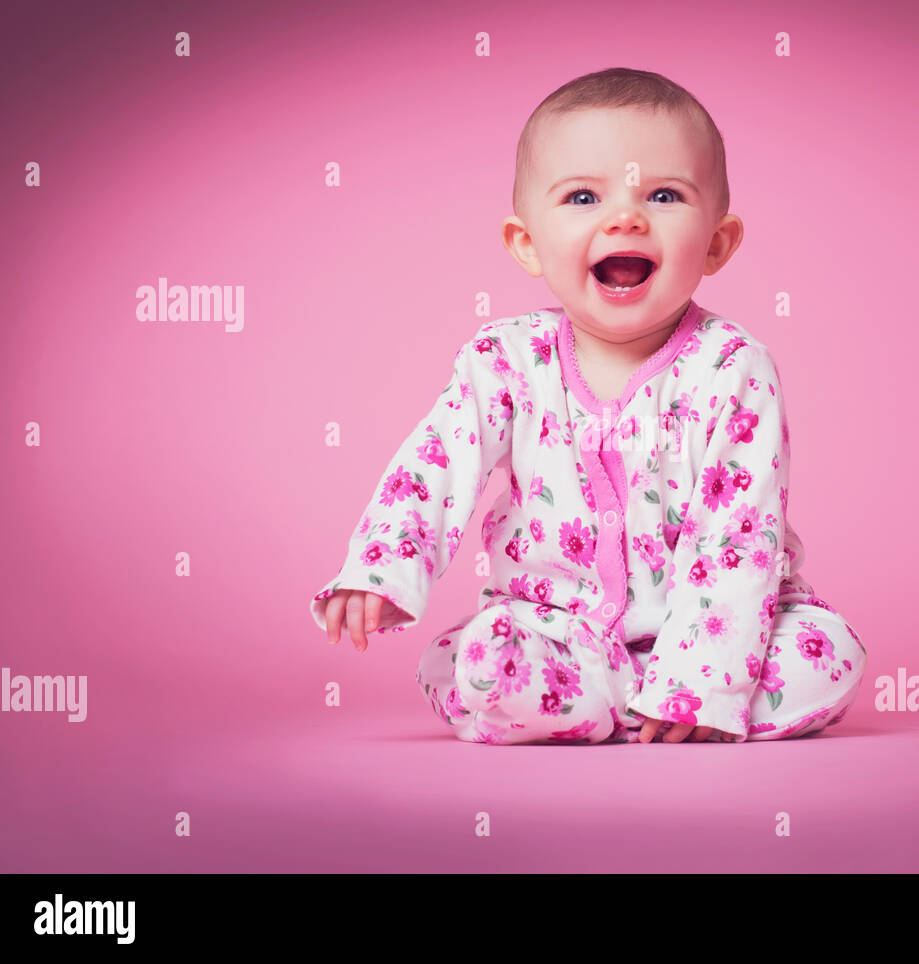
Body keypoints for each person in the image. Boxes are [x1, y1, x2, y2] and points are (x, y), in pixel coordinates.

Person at [310, 67, 867, 745]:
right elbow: (433, 466)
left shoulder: (731, 367)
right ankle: (607, 695)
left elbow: (738, 535)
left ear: (716, 243)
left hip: (727, 630)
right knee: (470, 660)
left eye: (663, 194)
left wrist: (703, 680)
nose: (625, 216)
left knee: (826, 655)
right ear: (527, 243)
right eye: (582, 197)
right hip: (559, 627)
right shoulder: (506, 361)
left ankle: (664, 703)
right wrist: (379, 569)